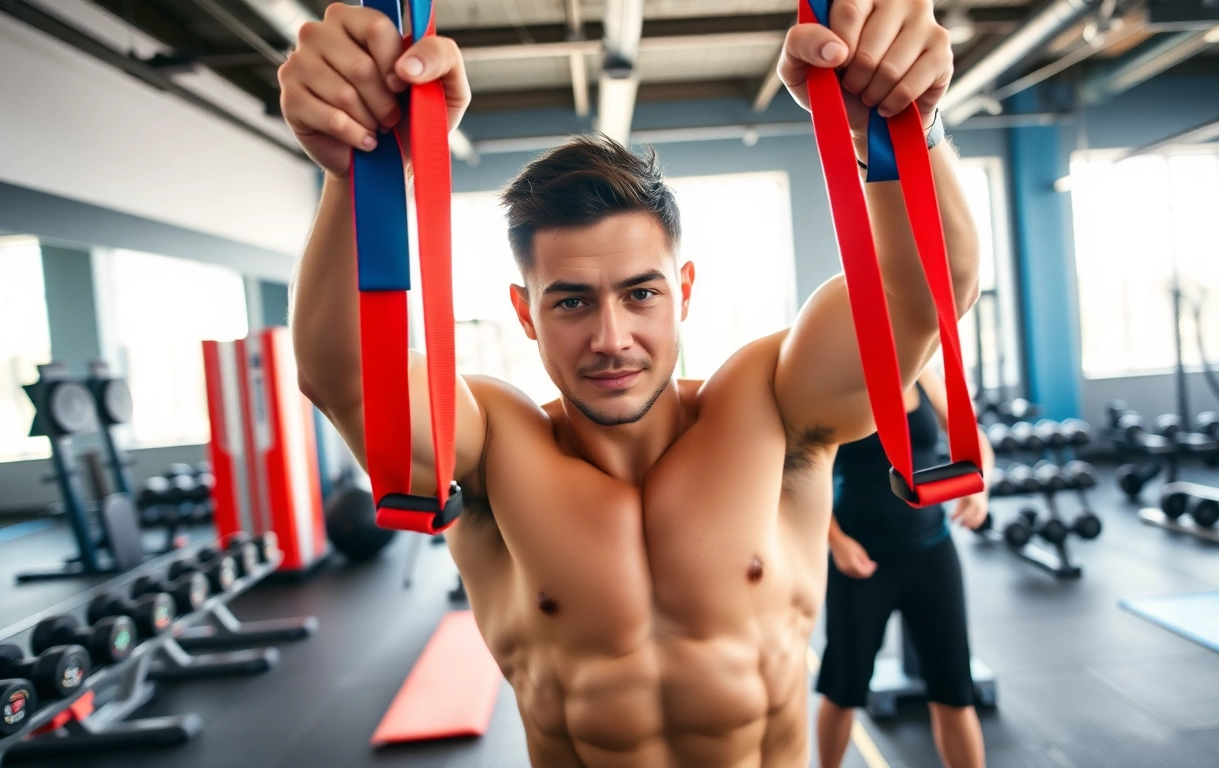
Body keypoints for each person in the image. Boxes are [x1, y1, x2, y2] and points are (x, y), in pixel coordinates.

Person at [281, 2, 979, 765]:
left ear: (683, 290)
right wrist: (365, 174)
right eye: (572, 301)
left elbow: (922, 298)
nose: (610, 339)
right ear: (525, 312)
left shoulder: (770, 408)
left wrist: (897, 124)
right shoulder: (494, 450)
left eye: (640, 294)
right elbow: (344, 375)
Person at [816, 368, 993, 768]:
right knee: (844, 690)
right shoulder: (834, 387)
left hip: (932, 553)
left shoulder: (926, 379)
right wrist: (837, 541)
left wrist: (981, 488)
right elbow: (808, 475)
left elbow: (973, 439)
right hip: (862, 561)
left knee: (954, 691)